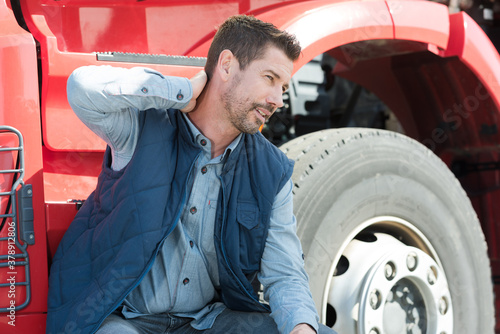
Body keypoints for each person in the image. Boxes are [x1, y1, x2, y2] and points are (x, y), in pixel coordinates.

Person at [46, 15, 337, 334]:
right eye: (269, 78)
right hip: (124, 318)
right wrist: (183, 91)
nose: (277, 100)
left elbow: (285, 274)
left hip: (207, 322)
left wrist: (301, 328)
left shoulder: (272, 172)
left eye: (283, 87)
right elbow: (81, 87)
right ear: (226, 66)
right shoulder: (141, 129)